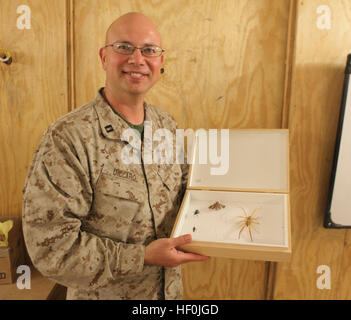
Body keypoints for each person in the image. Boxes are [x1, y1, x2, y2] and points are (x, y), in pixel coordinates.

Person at [22, 12, 209, 300]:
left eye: (149, 50)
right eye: (123, 47)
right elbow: (51, 248)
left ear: (160, 62)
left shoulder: (167, 127)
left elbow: (187, 196)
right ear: (103, 57)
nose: (137, 59)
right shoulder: (69, 138)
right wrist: (142, 257)